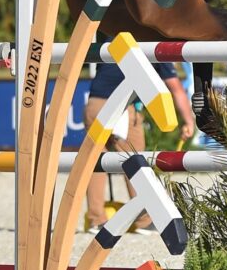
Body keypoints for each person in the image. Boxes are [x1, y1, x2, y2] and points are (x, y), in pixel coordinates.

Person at [83, 62, 195, 232]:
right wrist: (188, 120)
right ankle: (144, 220)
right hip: (122, 107)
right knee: (135, 160)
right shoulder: (151, 43)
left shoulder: (110, 37)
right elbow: (176, 88)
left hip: (94, 104)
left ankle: (96, 219)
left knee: (96, 160)